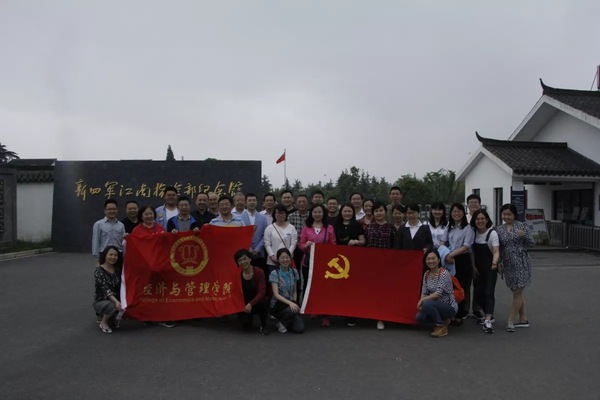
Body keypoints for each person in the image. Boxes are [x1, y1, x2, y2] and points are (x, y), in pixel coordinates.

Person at [495, 203, 535, 333]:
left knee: (517, 293)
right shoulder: (499, 229)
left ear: (514, 215)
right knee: (516, 292)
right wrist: (498, 262)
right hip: (508, 264)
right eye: (504, 214)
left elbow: (532, 243)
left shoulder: (521, 226)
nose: (506, 217)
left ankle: (510, 320)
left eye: (509, 214)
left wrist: (524, 236)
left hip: (521, 262)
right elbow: (498, 247)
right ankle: (523, 318)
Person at [299, 204, 336, 326]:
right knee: (310, 287)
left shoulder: (329, 228)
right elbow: (301, 244)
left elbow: (333, 245)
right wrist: (305, 246)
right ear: (311, 214)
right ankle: (314, 309)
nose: (317, 214)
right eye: (315, 212)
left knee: (324, 289)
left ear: (323, 213)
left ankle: (325, 314)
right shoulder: (306, 228)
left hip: (324, 264)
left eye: (319, 212)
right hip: (308, 262)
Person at [363, 201, 395, 330]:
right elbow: (364, 245)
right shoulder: (368, 227)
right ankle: (370, 314)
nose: (379, 213)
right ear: (373, 213)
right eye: (376, 211)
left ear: (385, 212)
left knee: (383, 291)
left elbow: (394, 247)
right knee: (372, 290)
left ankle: (381, 317)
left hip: (386, 265)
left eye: (381, 210)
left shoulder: (391, 228)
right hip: (371, 264)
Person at [470, 209, 500, 333]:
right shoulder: (473, 233)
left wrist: (495, 262)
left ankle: (488, 320)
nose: (480, 221)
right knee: (479, 292)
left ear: (487, 220)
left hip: (490, 268)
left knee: (488, 291)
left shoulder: (492, 233)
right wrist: (473, 266)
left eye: (482, 218)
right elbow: (472, 252)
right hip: (477, 269)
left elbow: (496, 251)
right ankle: (488, 314)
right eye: (477, 219)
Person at [416, 249, 458, 338]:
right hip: (435, 304)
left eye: (433, 258)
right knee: (419, 317)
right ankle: (444, 320)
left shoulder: (444, 273)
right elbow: (424, 292)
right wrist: (422, 301)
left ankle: (441, 326)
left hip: (449, 306)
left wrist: (422, 301)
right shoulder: (426, 274)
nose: (431, 261)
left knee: (426, 304)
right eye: (428, 259)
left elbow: (438, 294)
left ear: (438, 260)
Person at [444, 203, 474, 324]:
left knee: (460, 287)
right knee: (449, 287)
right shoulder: (449, 227)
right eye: (454, 211)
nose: (456, 213)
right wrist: (445, 254)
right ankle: (450, 313)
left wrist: (452, 255)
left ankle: (459, 315)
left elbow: (466, 246)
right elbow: (444, 242)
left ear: (463, 213)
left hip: (462, 259)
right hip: (449, 259)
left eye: (459, 211)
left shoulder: (468, 228)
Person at [233, 249, 269, 335]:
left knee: (264, 303)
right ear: (237, 263)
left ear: (250, 259)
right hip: (243, 304)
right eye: (240, 260)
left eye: (244, 259)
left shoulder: (259, 272)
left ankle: (263, 325)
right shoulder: (237, 274)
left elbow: (262, 292)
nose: (243, 262)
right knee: (246, 325)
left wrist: (250, 304)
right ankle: (245, 317)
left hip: (256, 302)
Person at [269, 248, 304, 334]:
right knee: (291, 310)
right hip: (278, 304)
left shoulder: (294, 272)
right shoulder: (274, 273)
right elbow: (276, 294)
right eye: (282, 258)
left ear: (290, 258)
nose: (285, 260)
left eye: (287, 257)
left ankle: (286, 322)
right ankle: (279, 321)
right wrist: (291, 303)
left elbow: (295, 291)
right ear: (278, 260)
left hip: (290, 303)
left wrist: (294, 302)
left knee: (300, 328)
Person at [93, 246, 123, 334]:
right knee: (112, 305)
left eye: (115, 255)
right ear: (105, 256)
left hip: (116, 298)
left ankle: (111, 317)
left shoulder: (117, 270)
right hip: (102, 300)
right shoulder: (99, 271)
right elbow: (106, 289)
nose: (113, 257)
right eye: (110, 254)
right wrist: (116, 302)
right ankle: (104, 322)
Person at [264, 204, 298, 272]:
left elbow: (294, 243)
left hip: (287, 261)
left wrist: (288, 255)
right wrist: (272, 256)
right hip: (273, 261)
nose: (280, 215)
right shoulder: (269, 228)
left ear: (286, 214)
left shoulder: (292, 228)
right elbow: (267, 244)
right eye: (278, 213)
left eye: (282, 213)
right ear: (274, 214)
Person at [91, 199, 125, 264]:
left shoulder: (121, 225)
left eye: (114, 209)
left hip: (117, 255)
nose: (112, 211)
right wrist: (97, 259)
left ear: (117, 210)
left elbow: (123, 242)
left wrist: (123, 256)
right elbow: (96, 241)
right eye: (109, 209)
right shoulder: (98, 224)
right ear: (105, 210)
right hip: (104, 255)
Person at [240, 193, 268, 267]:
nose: (252, 202)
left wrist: (258, 248)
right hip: (245, 253)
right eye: (249, 200)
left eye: (254, 200)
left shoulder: (263, 218)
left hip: (259, 253)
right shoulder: (240, 218)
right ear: (245, 203)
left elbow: (265, 235)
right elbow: (240, 236)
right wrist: (249, 249)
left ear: (257, 202)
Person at [288, 194, 310, 273]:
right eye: (299, 202)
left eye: (304, 201)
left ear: (308, 203)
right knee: (295, 270)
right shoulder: (291, 216)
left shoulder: (312, 216)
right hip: (295, 247)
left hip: (308, 247)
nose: (301, 203)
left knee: (308, 270)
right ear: (295, 204)